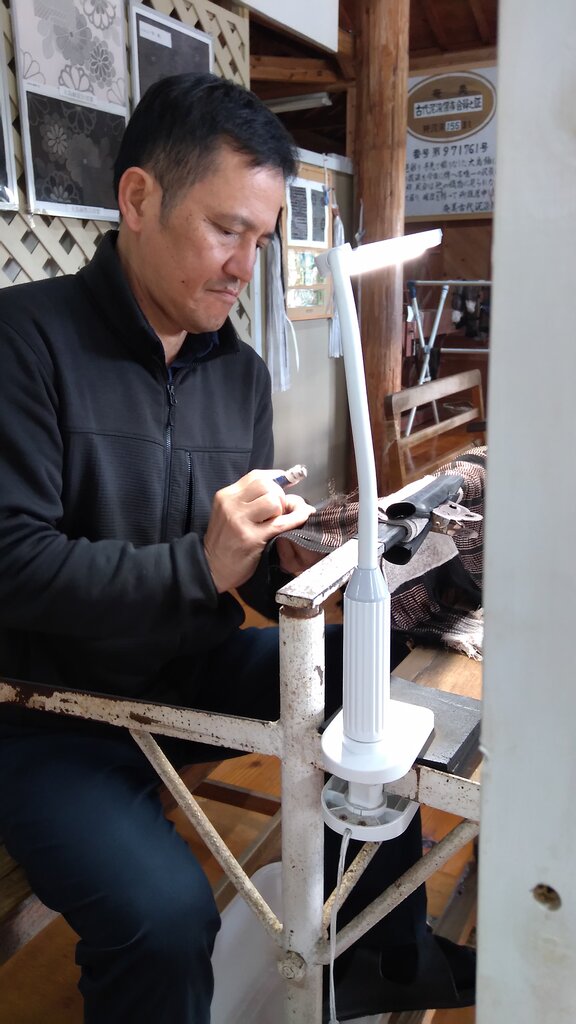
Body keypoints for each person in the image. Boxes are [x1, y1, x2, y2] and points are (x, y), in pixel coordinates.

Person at [0, 73, 475, 1023]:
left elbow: (239, 571)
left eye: (261, 239)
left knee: (374, 688)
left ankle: (384, 953)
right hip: (46, 708)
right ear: (139, 199)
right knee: (163, 918)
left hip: (190, 667)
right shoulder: (24, 341)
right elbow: (13, 568)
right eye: (226, 230)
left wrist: (291, 559)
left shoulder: (240, 374)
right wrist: (202, 565)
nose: (243, 268)